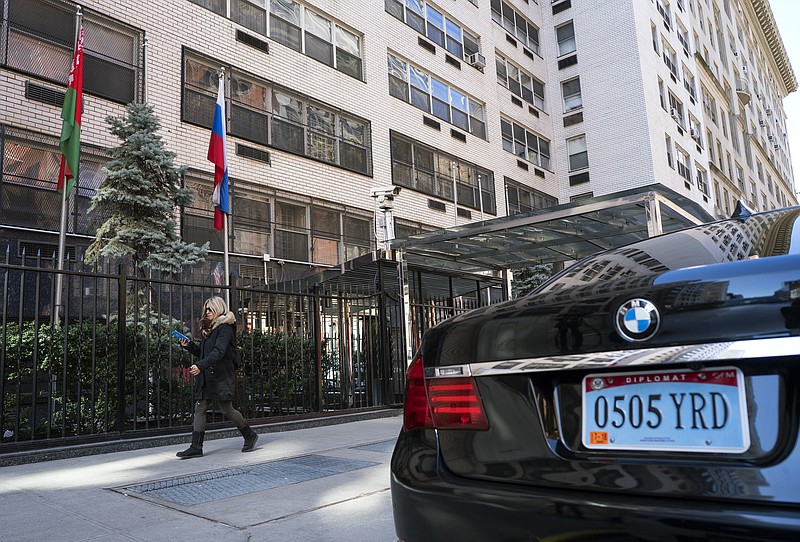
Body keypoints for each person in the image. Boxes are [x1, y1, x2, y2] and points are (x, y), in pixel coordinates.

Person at [175, 296, 258, 458]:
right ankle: (196, 447)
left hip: (221, 375)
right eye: (206, 309)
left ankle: (249, 435)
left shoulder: (225, 328)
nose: (207, 312)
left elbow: (218, 352)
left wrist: (200, 365)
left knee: (227, 409)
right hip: (208, 375)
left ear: (218, 309)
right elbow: (204, 353)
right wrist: (189, 346)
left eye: (210, 309)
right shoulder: (210, 329)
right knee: (200, 408)